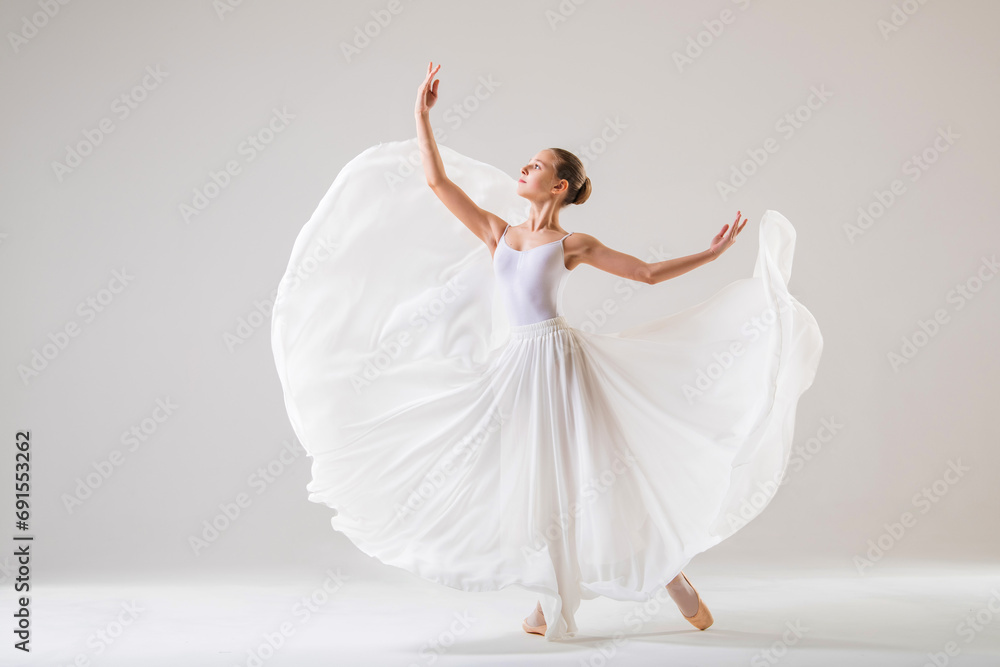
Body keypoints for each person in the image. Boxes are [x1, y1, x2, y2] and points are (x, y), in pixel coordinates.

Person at [270, 61, 823, 642]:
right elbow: (437, 184)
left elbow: (646, 273)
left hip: (562, 364)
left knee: (601, 477)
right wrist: (421, 116)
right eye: (527, 163)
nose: (524, 168)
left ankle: (670, 575)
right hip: (516, 367)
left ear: (558, 187)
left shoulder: (571, 242)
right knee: (525, 477)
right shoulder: (498, 233)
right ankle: (548, 590)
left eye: (536, 166)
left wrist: (709, 257)